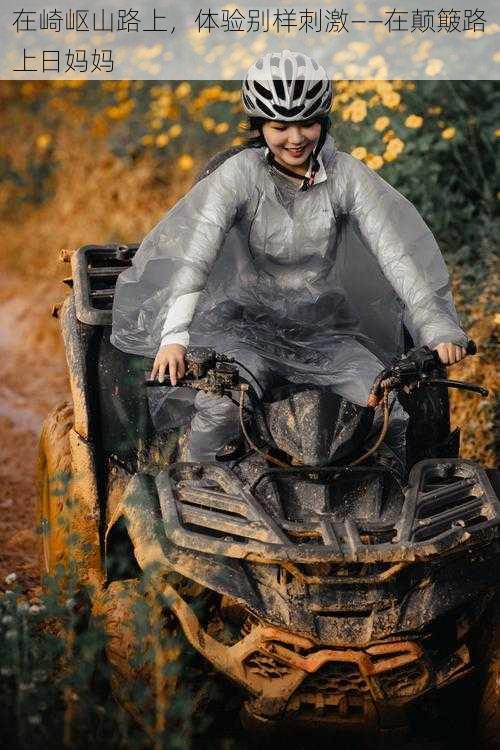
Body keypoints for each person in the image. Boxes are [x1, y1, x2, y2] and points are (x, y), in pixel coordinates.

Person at [111, 50, 468, 478]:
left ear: (324, 122)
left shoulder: (347, 176)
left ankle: (387, 507)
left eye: (308, 123)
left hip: (324, 332)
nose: (295, 138)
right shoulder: (239, 174)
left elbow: (398, 256)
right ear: (260, 127)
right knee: (223, 409)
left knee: (387, 408)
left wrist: (438, 328)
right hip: (245, 328)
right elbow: (196, 256)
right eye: (280, 126)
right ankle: (196, 496)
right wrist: (174, 336)